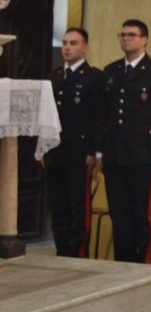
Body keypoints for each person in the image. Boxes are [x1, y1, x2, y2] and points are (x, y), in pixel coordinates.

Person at [96, 19, 151, 263]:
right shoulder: (111, 71)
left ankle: (142, 265)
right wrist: (99, 151)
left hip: (144, 155)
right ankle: (122, 263)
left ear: (144, 40)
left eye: (131, 35)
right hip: (114, 155)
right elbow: (104, 114)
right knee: (119, 214)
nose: (126, 39)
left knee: (140, 215)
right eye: (122, 35)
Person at [43, 28, 102, 257]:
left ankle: (77, 254)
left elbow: (99, 118)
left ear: (85, 47)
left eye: (73, 43)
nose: (67, 47)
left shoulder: (94, 77)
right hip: (56, 151)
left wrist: (94, 152)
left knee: (79, 208)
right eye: (65, 43)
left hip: (79, 153)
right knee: (58, 207)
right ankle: (61, 250)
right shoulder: (55, 76)